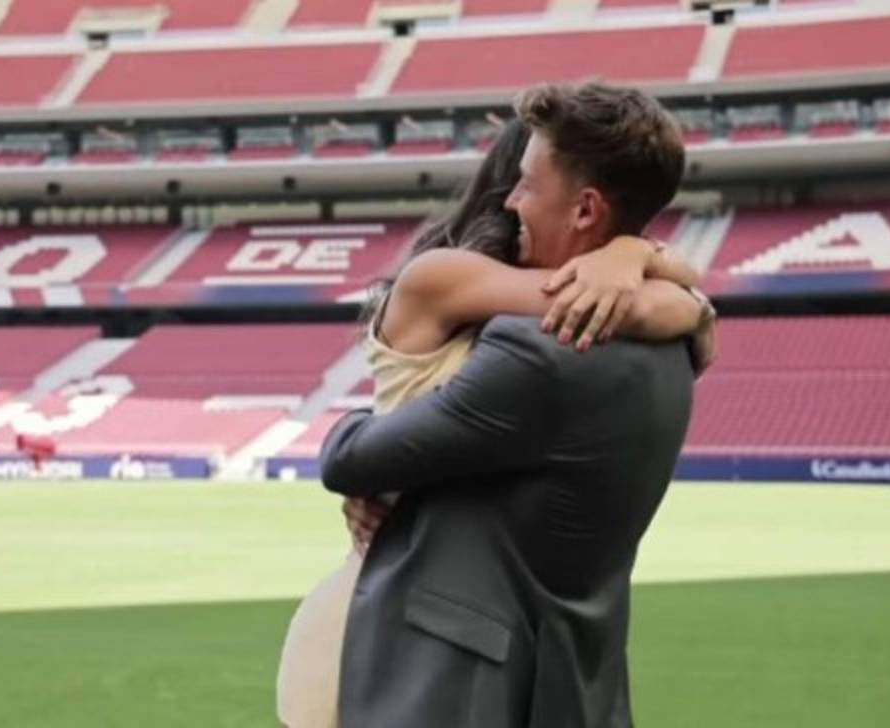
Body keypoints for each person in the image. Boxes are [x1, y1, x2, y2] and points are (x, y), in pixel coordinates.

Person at [279, 83, 712, 727]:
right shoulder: (445, 279)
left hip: (418, 642)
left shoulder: (549, 342)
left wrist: (632, 260)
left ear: (584, 207)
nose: (513, 199)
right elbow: (648, 306)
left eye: (529, 184)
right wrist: (651, 269)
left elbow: (620, 307)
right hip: (374, 628)